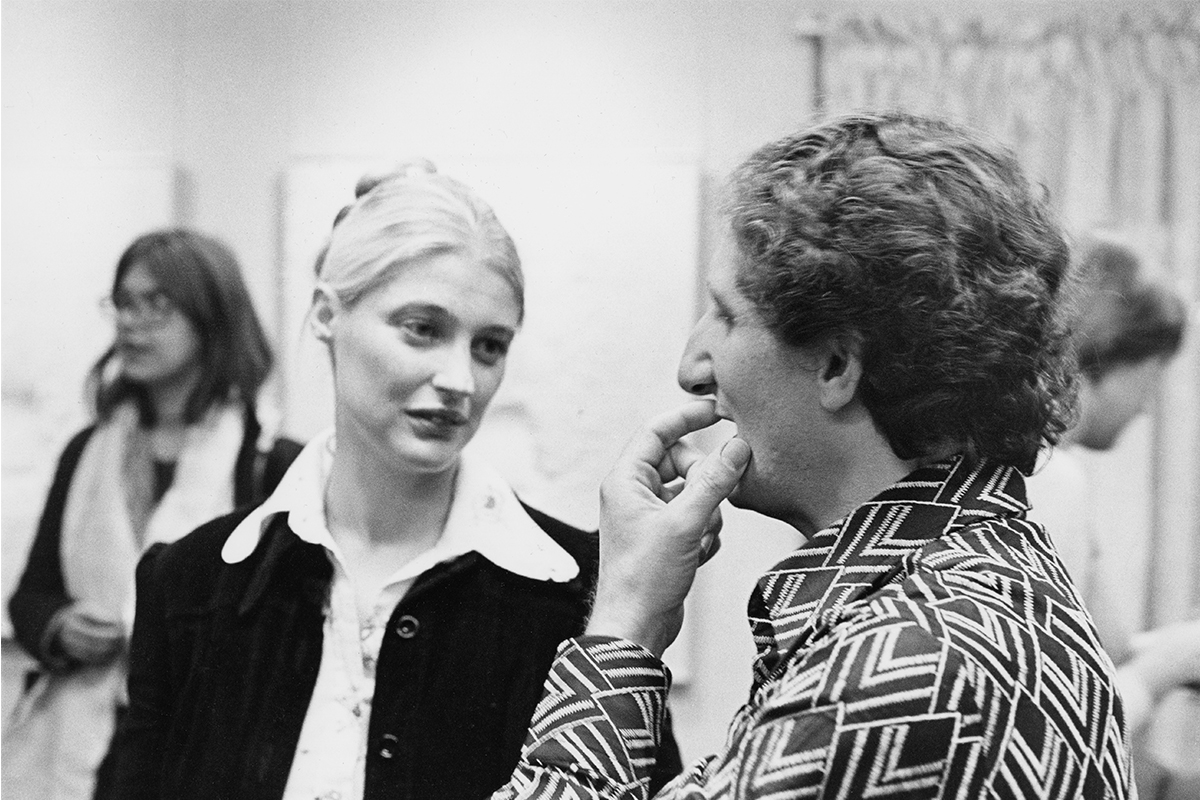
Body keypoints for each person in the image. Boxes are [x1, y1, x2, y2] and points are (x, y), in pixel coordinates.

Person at [489, 111, 1136, 798]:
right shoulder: (979, 594)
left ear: (836, 364)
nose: (693, 368)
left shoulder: (904, 672)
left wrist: (625, 618)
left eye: (728, 316)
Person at [108, 163, 681, 799]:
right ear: (329, 314)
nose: (460, 380)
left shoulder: (583, 590)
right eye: (423, 329)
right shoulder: (189, 581)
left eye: (489, 346)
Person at [4, 229, 302, 800]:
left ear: (212, 318)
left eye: (157, 306)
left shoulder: (268, 462)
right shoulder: (85, 450)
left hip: (201, 748)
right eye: (123, 302)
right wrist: (60, 625)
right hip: (83, 750)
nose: (131, 323)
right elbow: (31, 595)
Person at [1025, 235, 1194, 798]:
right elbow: (1049, 732)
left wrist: (1175, 651)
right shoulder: (1047, 480)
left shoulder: (1041, 469)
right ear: (1109, 354)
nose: (1149, 405)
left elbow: (1099, 658)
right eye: (1152, 373)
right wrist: (1163, 667)